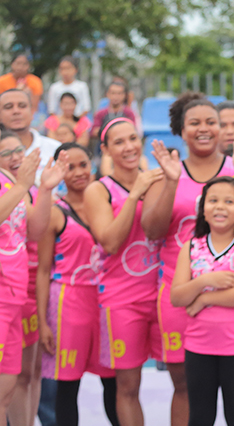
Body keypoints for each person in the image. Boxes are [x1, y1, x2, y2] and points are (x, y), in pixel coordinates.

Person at [139, 93, 234, 426]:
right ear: (180, 131)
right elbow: (152, 231)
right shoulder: (166, 172)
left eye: (211, 122)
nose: (204, 129)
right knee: (185, 386)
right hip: (180, 293)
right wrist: (170, 181)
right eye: (194, 123)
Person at [83, 119, 165, 426]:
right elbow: (110, 241)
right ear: (104, 149)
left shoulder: (158, 180)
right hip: (122, 299)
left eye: (133, 138)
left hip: (164, 294)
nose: (129, 147)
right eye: (119, 142)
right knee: (128, 386)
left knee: (184, 380)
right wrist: (134, 195)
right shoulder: (98, 190)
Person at [36, 144, 119, 426]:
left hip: (107, 300)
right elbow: (44, 269)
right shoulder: (55, 212)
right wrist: (43, 321)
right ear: (59, 171)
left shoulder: (109, 203)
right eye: (69, 167)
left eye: (83, 164)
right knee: (67, 384)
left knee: (114, 381)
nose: (78, 172)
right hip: (68, 305)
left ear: (93, 164)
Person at [170, 177, 234, 426]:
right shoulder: (190, 246)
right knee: (200, 417)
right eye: (213, 200)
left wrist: (204, 299)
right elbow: (177, 296)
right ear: (202, 208)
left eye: (229, 201)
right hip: (199, 347)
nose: (220, 207)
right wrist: (205, 281)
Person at [0, 145, 41, 423]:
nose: (15, 156)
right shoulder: (17, 186)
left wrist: (44, 189)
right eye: (7, 151)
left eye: (18, 149)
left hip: (13, 299)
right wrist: (23, 185)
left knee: (5, 394)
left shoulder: (11, 183)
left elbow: (34, 233)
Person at [0, 89, 61, 183]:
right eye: (8, 107)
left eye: (22, 106)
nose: (16, 111)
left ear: (33, 111)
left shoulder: (56, 149)